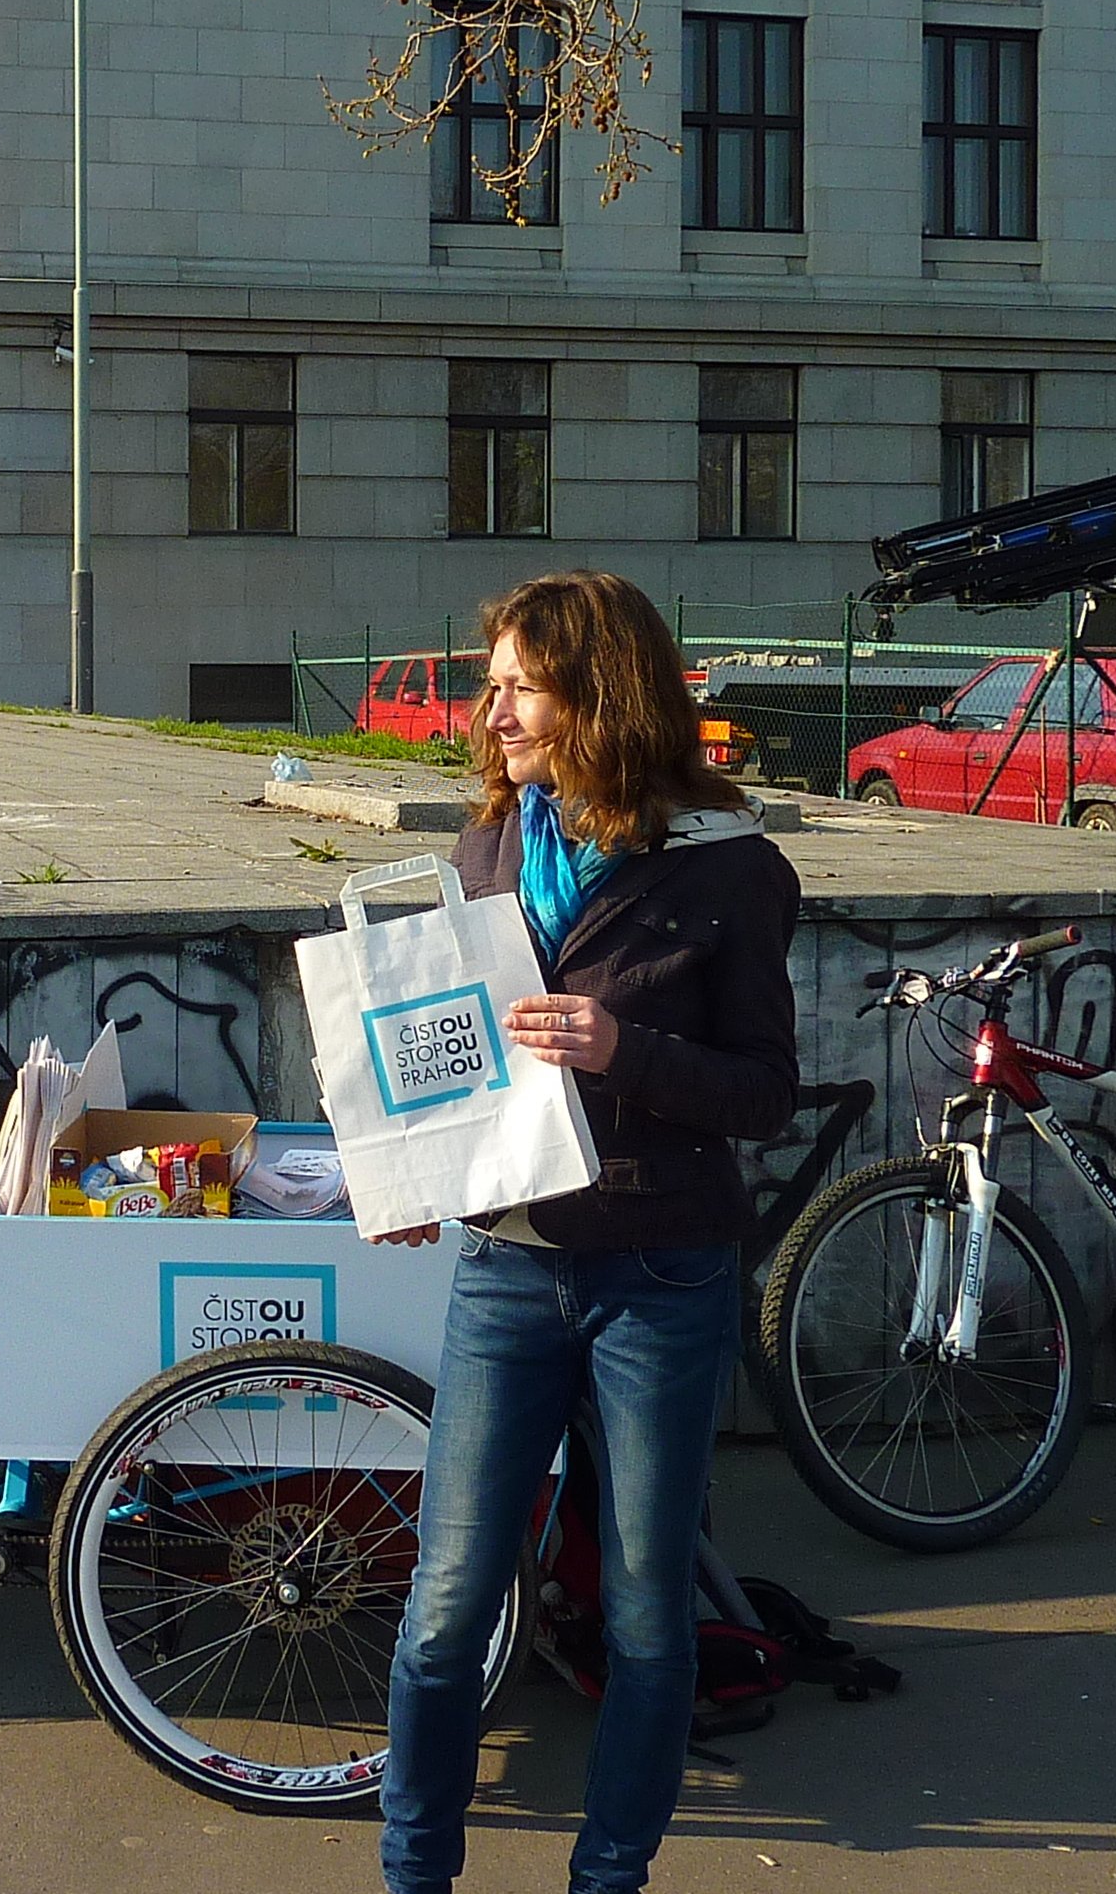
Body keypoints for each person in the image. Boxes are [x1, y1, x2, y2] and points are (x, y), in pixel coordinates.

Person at [378, 570, 800, 1894]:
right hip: (508, 1263)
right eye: (490, 681)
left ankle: (607, 1879)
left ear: (594, 693)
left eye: (516, 683)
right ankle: (415, 1875)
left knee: (645, 1617)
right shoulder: (491, 848)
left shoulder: (728, 870)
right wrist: (417, 1167)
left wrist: (630, 1049)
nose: (488, 708)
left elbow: (766, 1094)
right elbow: (456, 1052)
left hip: (662, 1275)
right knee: (447, 1615)